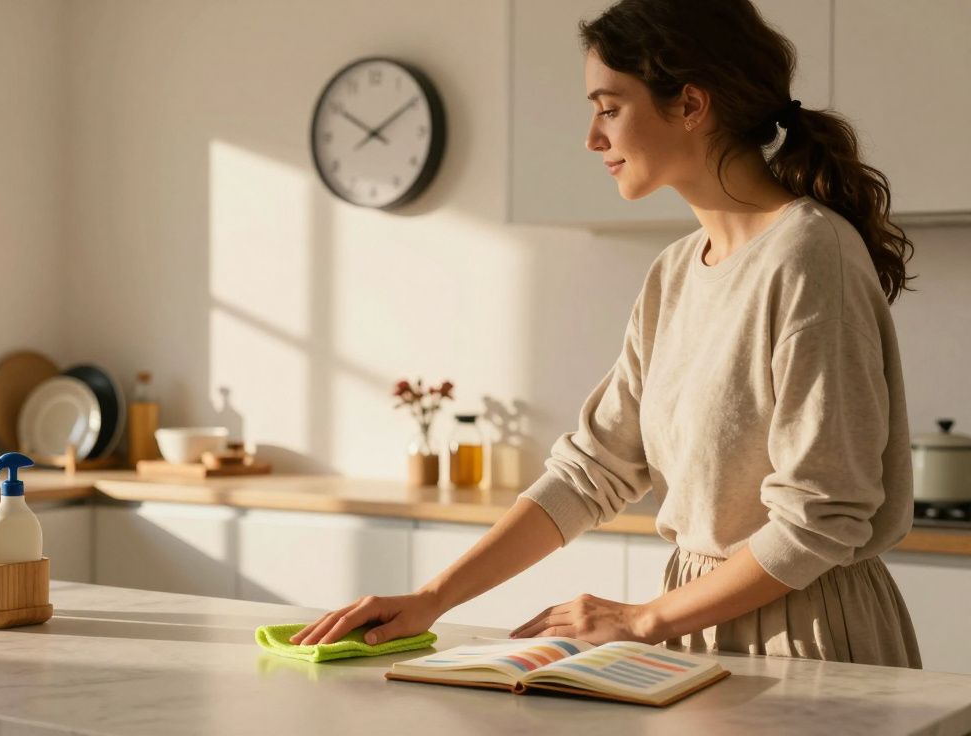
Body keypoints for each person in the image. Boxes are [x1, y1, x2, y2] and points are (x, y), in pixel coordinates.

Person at [291, 0, 921, 668]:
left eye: (609, 107)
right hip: (693, 630)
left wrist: (643, 618)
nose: (593, 138)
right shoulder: (676, 272)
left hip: (806, 639)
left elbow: (821, 517)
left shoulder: (810, 255)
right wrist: (431, 599)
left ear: (690, 105)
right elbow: (593, 470)